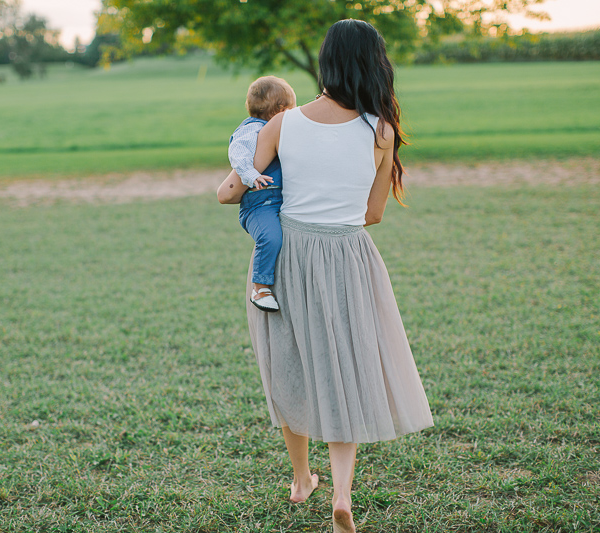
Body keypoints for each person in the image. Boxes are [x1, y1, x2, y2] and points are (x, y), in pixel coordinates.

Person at [218, 19, 434, 533]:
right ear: (375, 63)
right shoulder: (381, 128)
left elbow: (231, 191)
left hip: (287, 253)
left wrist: (243, 184)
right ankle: (341, 493)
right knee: (344, 368)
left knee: (289, 365)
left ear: (325, 62)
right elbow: (374, 212)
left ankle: (300, 480)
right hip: (346, 255)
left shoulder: (282, 124)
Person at [226, 76, 297, 312]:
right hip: (259, 204)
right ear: (279, 110)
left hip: (278, 201)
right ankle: (260, 287)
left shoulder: (276, 130)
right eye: (291, 109)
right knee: (271, 237)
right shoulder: (252, 130)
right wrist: (250, 175)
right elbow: (238, 154)